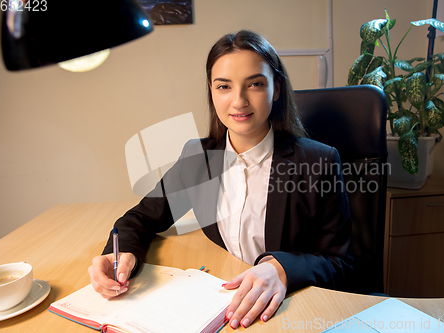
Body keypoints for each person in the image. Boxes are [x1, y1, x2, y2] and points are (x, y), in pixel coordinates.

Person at [88, 30, 353, 330]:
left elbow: (340, 263)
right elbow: (140, 219)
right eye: (224, 86)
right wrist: (121, 254)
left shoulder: (318, 161)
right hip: (222, 302)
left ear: (276, 88)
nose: (238, 101)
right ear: (212, 92)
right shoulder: (198, 157)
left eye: (255, 84)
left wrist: (282, 269)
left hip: (289, 309)